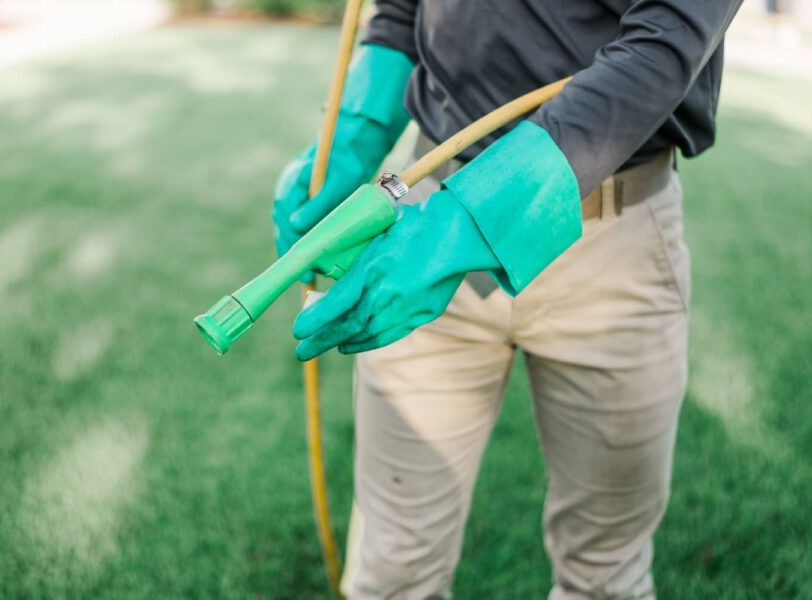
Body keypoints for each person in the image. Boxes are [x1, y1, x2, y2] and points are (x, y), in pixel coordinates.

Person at [272, 1, 742, 598]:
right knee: (393, 570)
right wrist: (353, 133)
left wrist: (463, 225)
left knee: (605, 577)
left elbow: (664, 41)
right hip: (429, 202)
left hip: (610, 238)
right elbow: (400, 10)